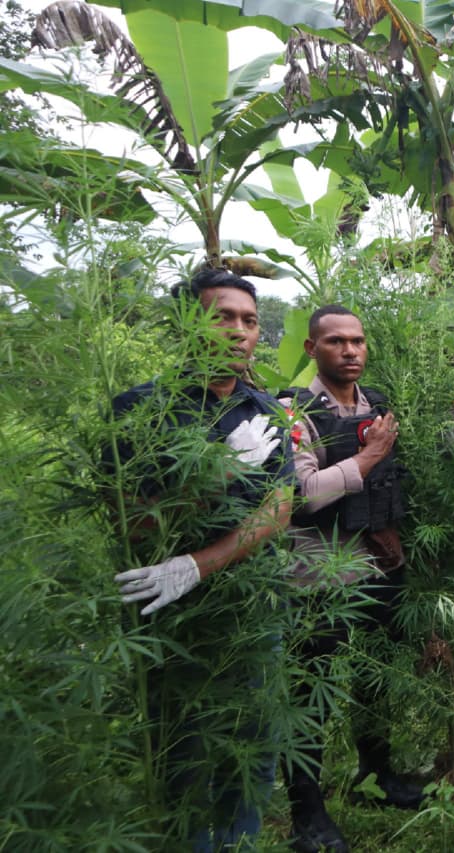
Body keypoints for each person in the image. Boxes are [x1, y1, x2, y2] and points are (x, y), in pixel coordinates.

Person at [108, 268, 293, 851]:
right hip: (174, 620)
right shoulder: (140, 409)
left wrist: (201, 563)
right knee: (184, 756)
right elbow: (132, 518)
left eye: (249, 320)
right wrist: (217, 477)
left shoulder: (264, 411)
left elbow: (279, 506)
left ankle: (242, 841)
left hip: (255, 609)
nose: (239, 331)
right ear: (187, 321)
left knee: (255, 749)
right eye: (222, 316)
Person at [279, 305, 421, 853]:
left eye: (358, 340)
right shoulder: (295, 413)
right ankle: (306, 815)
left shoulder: (378, 407)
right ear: (313, 350)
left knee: (375, 677)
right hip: (317, 571)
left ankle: (375, 775)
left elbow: (390, 485)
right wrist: (369, 456)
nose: (351, 350)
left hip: (376, 564)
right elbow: (301, 494)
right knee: (311, 692)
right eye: (336, 342)